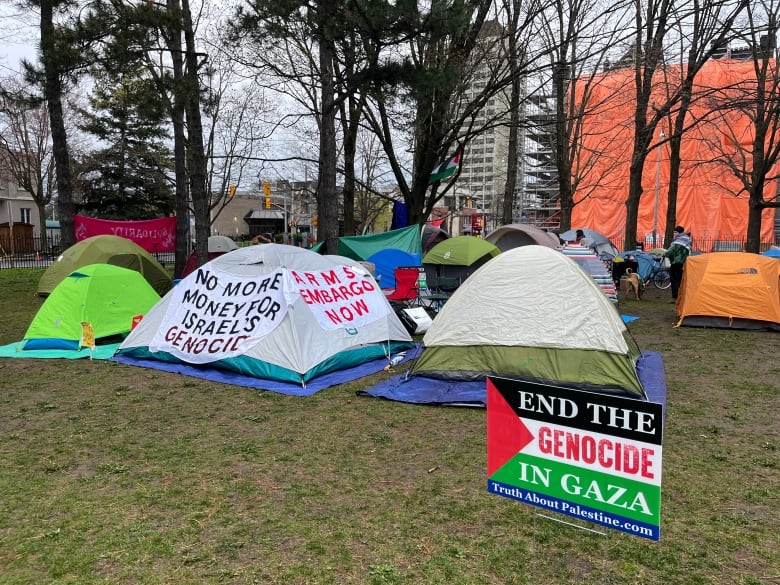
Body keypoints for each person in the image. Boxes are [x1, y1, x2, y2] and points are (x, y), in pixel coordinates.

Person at [664, 226, 692, 299]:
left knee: (674, 280)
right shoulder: (686, 239)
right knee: (680, 279)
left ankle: (675, 296)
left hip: (676, 262)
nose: (674, 234)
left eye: (675, 232)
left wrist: (664, 254)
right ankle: (681, 295)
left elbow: (671, 251)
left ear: (680, 233)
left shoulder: (678, 241)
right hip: (683, 262)